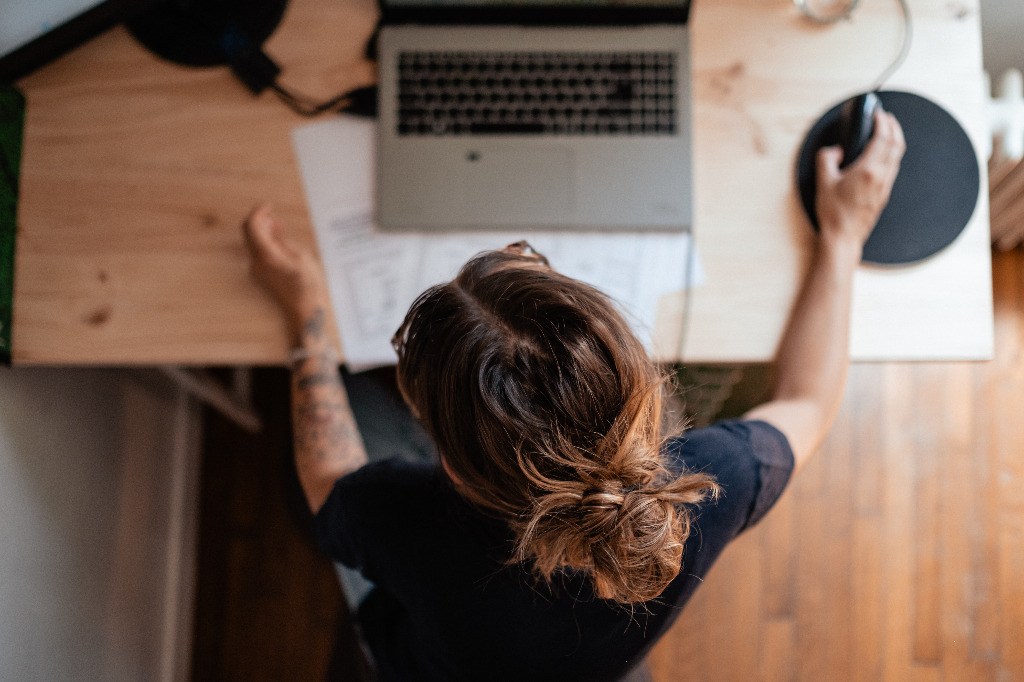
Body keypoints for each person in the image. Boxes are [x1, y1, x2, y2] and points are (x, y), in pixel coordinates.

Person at [241, 109, 905, 681]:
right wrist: (843, 237)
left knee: (353, 402)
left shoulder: (400, 521)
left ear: (453, 471)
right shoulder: (703, 491)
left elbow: (327, 481)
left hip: (422, 663)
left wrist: (307, 324)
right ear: (637, 381)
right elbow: (809, 401)